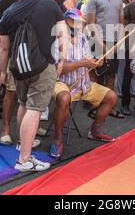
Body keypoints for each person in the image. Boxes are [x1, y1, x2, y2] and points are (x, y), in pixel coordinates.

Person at [0, 0, 67, 172]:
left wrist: (2, 72)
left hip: (18, 66)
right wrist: (62, 59)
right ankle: (24, 159)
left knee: (23, 103)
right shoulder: (49, 5)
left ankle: (23, 144)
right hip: (43, 65)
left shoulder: (8, 13)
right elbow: (63, 34)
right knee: (35, 108)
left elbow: (3, 48)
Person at [0, 0, 44, 144]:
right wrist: (1, 40)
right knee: (11, 92)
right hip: (14, 54)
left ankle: (31, 124)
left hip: (36, 54)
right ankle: (6, 129)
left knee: (34, 91)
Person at [50, 9, 117, 158]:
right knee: (64, 98)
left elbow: (87, 60)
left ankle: (95, 131)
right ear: (65, 22)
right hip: (61, 82)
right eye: (74, 21)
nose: (77, 25)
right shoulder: (57, 39)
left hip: (83, 84)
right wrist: (82, 63)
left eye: (80, 23)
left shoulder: (82, 38)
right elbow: (59, 69)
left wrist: (94, 63)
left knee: (111, 97)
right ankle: (58, 137)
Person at [86, 0, 125, 119]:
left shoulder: (118, 0)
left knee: (111, 75)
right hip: (97, 42)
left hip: (114, 43)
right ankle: (95, 106)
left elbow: (122, 23)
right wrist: (101, 44)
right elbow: (91, 23)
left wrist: (119, 42)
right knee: (96, 73)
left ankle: (109, 107)